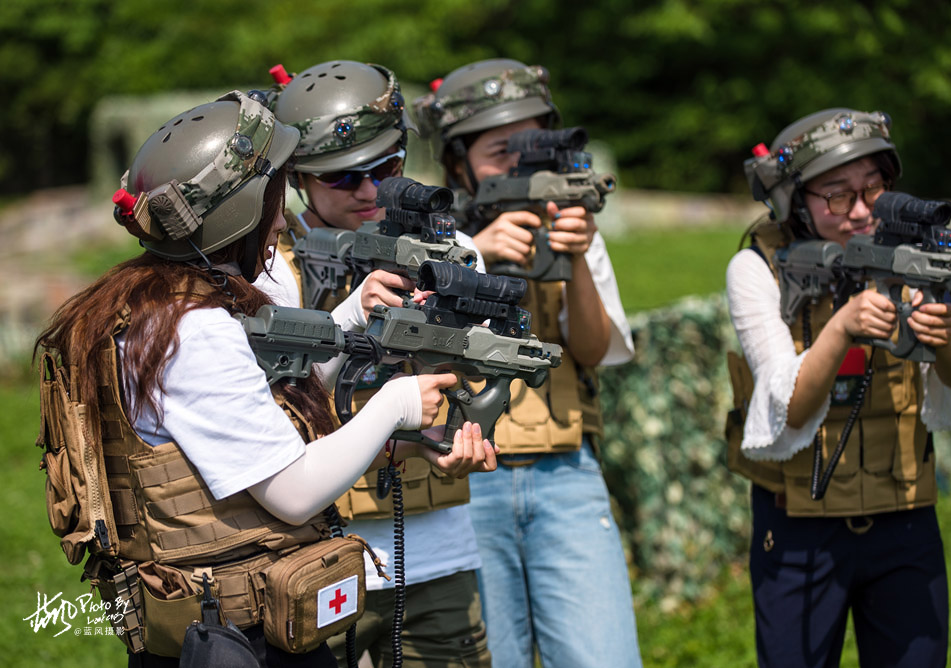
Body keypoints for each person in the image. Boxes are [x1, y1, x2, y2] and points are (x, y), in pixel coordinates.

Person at [35, 91, 493, 668]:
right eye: (273, 203)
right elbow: (293, 492)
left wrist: (355, 318)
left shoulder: (154, 304)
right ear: (241, 213)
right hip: (240, 637)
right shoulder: (195, 331)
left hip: (210, 626)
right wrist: (395, 404)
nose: (282, 219)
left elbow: (261, 409)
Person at [728, 108, 951, 667]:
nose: (860, 211)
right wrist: (844, 326)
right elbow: (790, 408)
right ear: (795, 200)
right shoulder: (757, 266)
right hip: (799, 527)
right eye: (836, 195)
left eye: (874, 189)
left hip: (904, 519)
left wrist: (943, 335)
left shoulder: (907, 251)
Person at [258, 60, 495, 667]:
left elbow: (480, 377)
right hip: (307, 559)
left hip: (435, 554)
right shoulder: (267, 268)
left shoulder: (452, 251)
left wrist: (463, 436)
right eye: (342, 179)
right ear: (298, 181)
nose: (368, 191)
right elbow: (271, 413)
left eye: (386, 168)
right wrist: (349, 316)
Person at [414, 58, 642, 668]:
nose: (521, 165)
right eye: (499, 151)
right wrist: (472, 256)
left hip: (564, 469)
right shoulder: (428, 242)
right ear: (457, 159)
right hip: (463, 485)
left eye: (534, 146)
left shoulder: (567, 224)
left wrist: (578, 259)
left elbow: (595, 351)